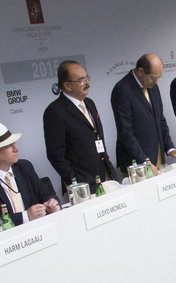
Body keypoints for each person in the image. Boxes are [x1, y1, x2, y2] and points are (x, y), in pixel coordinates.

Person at [43, 60, 120, 193]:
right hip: (83, 183)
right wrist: (75, 180)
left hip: (105, 174)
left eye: (86, 77)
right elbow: (55, 154)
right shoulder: (55, 111)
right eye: (81, 80)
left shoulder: (89, 103)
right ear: (67, 85)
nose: (87, 83)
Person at [0, 121, 60, 224]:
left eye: (14, 144)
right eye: (9, 146)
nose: (16, 149)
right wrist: (25, 216)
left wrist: (52, 203)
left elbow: (45, 194)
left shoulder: (24, 167)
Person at [111, 54, 176, 172]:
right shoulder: (122, 90)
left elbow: (160, 119)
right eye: (153, 77)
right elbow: (125, 132)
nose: (156, 81)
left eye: (158, 78)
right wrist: (144, 160)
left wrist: (170, 148)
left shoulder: (153, 86)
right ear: (141, 71)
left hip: (157, 156)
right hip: (138, 162)